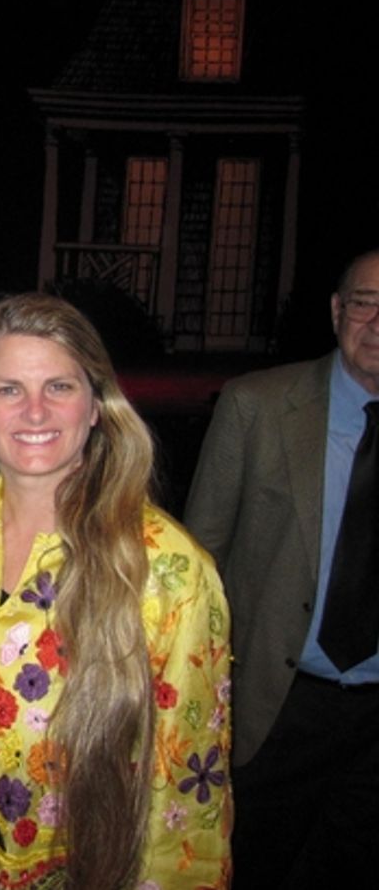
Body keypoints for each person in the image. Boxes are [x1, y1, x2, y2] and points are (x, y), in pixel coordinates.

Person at [0, 294, 231, 890]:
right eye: (8, 389)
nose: (34, 411)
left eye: (59, 387)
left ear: (96, 406)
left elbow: (189, 800)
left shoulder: (167, 568)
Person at [184, 250, 379, 888]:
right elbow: (199, 561)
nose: (377, 322)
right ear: (336, 311)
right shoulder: (257, 406)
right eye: (364, 302)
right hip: (276, 704)